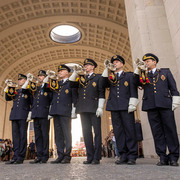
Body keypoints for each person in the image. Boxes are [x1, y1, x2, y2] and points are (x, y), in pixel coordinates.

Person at [134, 53, 180, 166]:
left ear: (155, 62)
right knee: (157, 132)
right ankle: (162, 156)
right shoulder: (143, 75)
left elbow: (173, 88)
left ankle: (174, 156)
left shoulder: (165, 72)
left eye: (148, 61)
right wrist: (139, 69)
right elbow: (135, 82)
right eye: (145, 61)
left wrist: (175, 101)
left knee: (171, 130)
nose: (146, 63)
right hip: (151, 105)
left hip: (165, 104)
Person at [102, 55, 138, 165]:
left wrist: (133, 103)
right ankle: (122, 155)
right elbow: (103, 84)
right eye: (114, 62)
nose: (115, 63)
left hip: (126, 106)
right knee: (118, 132)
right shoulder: (110, 77)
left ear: (122, 64)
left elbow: (133, 90)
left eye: (117, 62)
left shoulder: (129, 75)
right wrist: (106, 69)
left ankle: (132, 155)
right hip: (114, 106)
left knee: (130, 130)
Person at [69, 58, 106, 164]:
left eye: (88, 65)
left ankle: (97, 157)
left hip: (94, 108)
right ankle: (90, 156)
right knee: (86, 133)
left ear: (93, 67)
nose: (85, 67)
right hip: (83, 108)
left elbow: (101, 92)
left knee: (97, 133)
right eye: (85, 65)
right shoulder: (81, 78)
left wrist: (100, 107)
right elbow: (71, 83)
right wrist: (75, 72)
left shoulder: (98, 77)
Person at [46, 64, 77, 164]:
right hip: (56, 111)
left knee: (67, 134)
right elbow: (47, 90)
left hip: (65, 111)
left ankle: (67, 155)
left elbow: (74, 97)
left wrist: (74, 110)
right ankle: (60, 155)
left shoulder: (71, 83)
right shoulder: (56, 83)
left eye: (62, 71)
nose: (59, 72)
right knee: (58, 134)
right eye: (59, 71)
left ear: (67, 72)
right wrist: (49, 77)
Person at [22, 70, 52, 164]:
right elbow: (24, 90)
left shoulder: (48, 87)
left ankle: (45, 156)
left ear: (45, 77)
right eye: (38, 76)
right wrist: (28, 80)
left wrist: (50, 112)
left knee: (44, 135)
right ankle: (39, 156)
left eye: (42, 76)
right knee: (38, 136)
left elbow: (51, 99)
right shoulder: (36, 89)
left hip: (44, 114)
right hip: (35, 114)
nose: (39, 77)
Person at [4, 74, 32, 164]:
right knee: (15, 137)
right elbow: (7, 98)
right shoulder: (15, 91)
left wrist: (29, 114)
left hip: (23, 115)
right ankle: (15, 157)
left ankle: (21, 157)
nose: (19, 81)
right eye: (19, 80)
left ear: (25, 80)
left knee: (22, 137)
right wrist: (8, 86)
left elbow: (32, 102)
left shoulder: (28, 90)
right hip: (14, 115)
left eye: (21, 79)